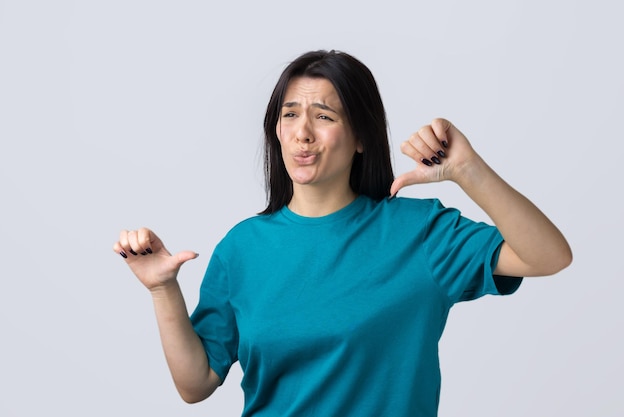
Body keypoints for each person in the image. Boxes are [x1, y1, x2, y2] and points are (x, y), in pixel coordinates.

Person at [113, 50, 572, 416]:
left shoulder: (421, 234)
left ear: (361, 136)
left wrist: (468, 171)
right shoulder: (242, 248)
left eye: (325, 116)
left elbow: (547, 256)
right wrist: (162, 289)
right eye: (290, 115)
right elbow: (196, 385)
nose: (303, 133)